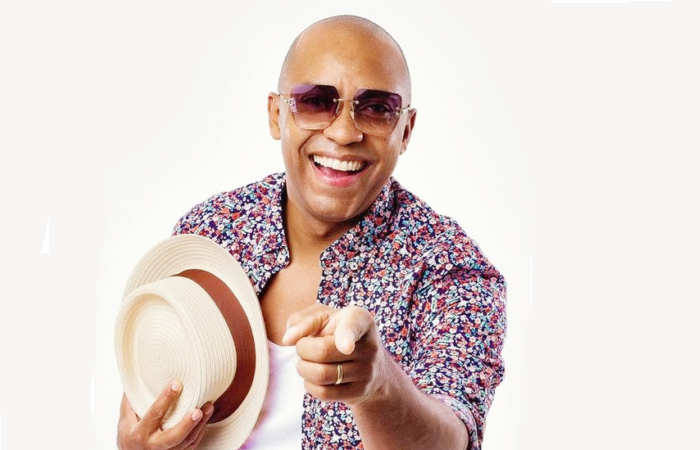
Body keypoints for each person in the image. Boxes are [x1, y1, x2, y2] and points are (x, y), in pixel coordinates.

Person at [117, 14, 506, 450]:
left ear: (406, 130)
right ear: (276, 115)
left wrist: (378, 386)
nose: (344, 133)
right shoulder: (210, 232)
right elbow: (148, 404)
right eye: (317, 102)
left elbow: (452, 438)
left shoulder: (452, 271)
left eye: (377, 109)